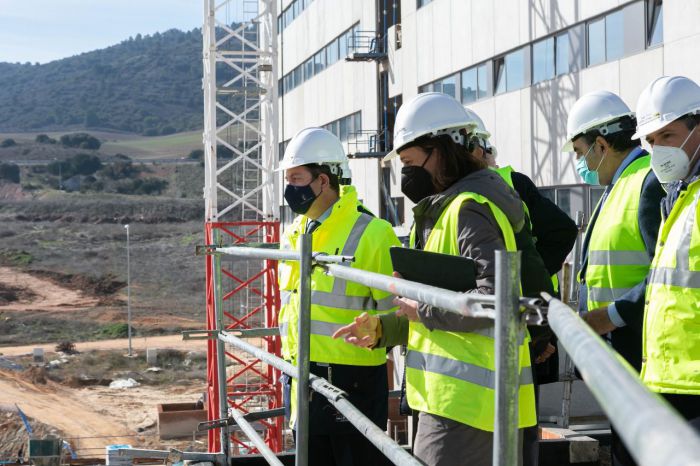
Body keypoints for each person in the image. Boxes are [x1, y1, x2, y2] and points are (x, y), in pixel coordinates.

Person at [334, 92, 539, 466]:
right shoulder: (444, 212)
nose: (406, 174)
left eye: (411, 162)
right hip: (455, 401)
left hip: (469, 406)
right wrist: (385, 329)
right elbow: (430, 306)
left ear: (443, 150)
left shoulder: (469, 211)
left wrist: (422, 310)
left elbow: (495, 300)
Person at [276, 127, 401, 465]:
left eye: (298, 178)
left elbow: (397, 312)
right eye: (288, 179)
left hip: (353, 379)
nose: (290, 188)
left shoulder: (373, 232)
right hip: (300, 372)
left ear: (324, 181)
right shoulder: (293, 234)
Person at [462, 107, 577, 466]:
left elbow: (561, 232)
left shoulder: (510, 183)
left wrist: (541, 326)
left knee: (519, 423)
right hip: (497, 328)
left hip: (517, 324)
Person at [562, 90, 665, 465]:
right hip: (619, 358)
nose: (579, 162)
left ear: (601, 145)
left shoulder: (646, 184)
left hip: (641, 355)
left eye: (579, 152)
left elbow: (666, 276)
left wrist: (610, 316)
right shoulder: (619, 186)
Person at [631, 76, 700, 432]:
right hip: (673, 380)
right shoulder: (680, 195)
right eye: (651, 141)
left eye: (668, 136)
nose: (658, 150)